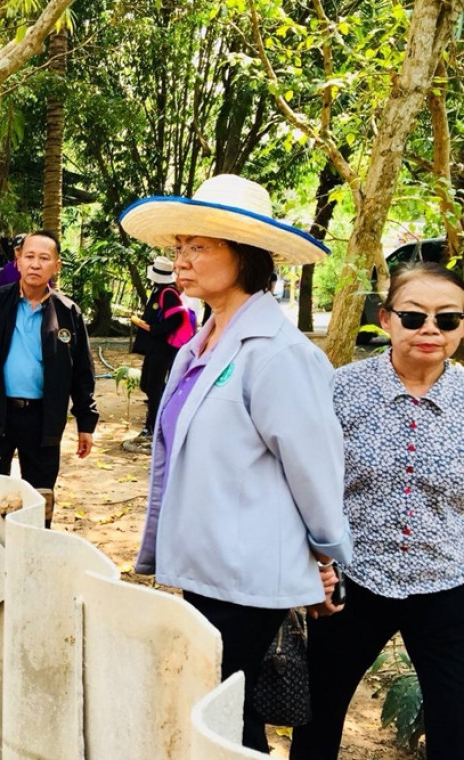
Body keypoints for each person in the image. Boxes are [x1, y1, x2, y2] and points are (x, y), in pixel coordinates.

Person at [119, 173, 352, 753]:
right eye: (180, 246)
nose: (182, 260)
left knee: (225, 713)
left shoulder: (278, 353)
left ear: (244, 255)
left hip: (247, 574)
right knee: (222, 708)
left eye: (199, 246)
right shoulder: (203, 342)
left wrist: (327, 557)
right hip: (207, 565)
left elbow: (315, 467)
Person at [291, 263, 464, 760]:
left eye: (447, 319)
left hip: (446, 583)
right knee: (318, 718)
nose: (430, 329)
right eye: (414, 317)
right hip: (353, 581)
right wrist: (316, 566)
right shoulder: (340, 389)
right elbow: (305, 483)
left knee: (455, 724)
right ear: (386, 319)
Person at [0, 231, 97, 527]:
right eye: (29, 256)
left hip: (43, 419)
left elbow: (82, 371)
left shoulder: (68, 312)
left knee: (39, 497)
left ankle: (35, 545)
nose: (35, 264)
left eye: (44, 258)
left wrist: (86, 423)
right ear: (18, 260)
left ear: (56, 266)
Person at [129, 256, 187, 440]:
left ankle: (153, 427)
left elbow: (176, 319)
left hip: (163, 348)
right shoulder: (158, 290)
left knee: (154, 389)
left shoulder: (168, 293)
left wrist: (154, 329)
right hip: (153, 348)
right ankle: (157, 420)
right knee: (147, 385)